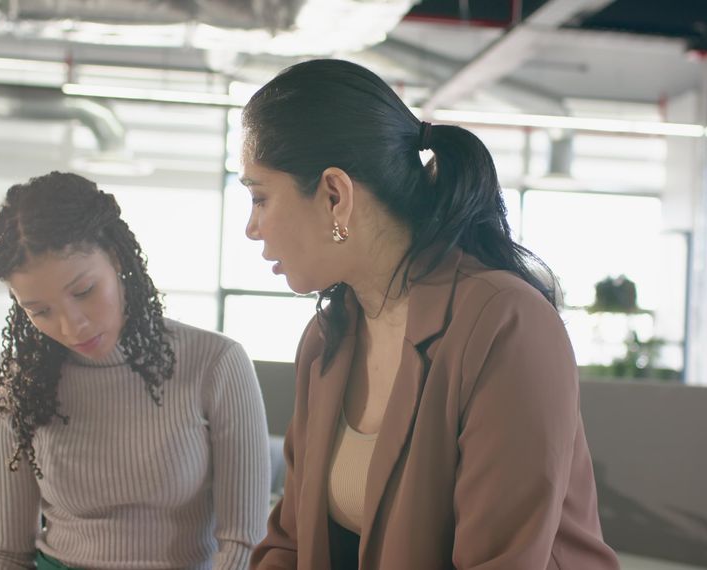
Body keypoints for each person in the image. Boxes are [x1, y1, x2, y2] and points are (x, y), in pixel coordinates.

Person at [241, 60, 620, 569]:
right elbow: (290, 543)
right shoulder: (328, 337)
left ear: (335, 195)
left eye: (260, 197)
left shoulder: (505, 324)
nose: (251, 227)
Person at [0, 171, 270, 570]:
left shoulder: (215, 363)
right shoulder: (21, 386)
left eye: (84, 292)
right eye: (40, 311)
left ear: (116, 259)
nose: (71, 326)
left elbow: (242, 542)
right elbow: (6, 553)